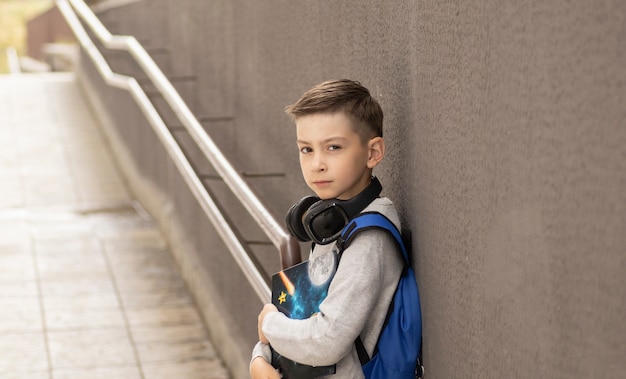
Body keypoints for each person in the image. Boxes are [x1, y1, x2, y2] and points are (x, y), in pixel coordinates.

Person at [250, 79, 404, 379]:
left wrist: (268, 325)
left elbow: (327, 341)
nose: (317, 163)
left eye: (333, 147)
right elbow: (302, 312)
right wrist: (261, 356)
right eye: (306, 149)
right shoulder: (331, 223)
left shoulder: (368, 238)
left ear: (373, 153)